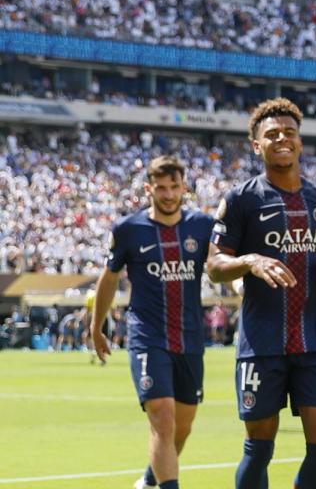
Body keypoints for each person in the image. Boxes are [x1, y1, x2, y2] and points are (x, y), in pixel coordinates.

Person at [206, 98, 316, 489]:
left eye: (289, 132)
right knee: (259, 450)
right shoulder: (240, 200)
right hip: (261, 343)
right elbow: (214, 266)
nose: (282, 138)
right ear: (256, 145)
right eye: (272, 134)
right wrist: (250, 260)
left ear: (300, 141)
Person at [91, 155, 215, 489]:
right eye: (161, 187)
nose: (168, 194)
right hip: (147, 337)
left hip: (190, 338)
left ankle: (149, 479)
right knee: (162, 418)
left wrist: (241, 284)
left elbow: (219, 265)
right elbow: (109, 278)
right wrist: (96, 326)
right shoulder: (129, 230)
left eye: (174, 186)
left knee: (183, 427)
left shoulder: (202, 226)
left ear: (184, 187)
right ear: (149, 188)